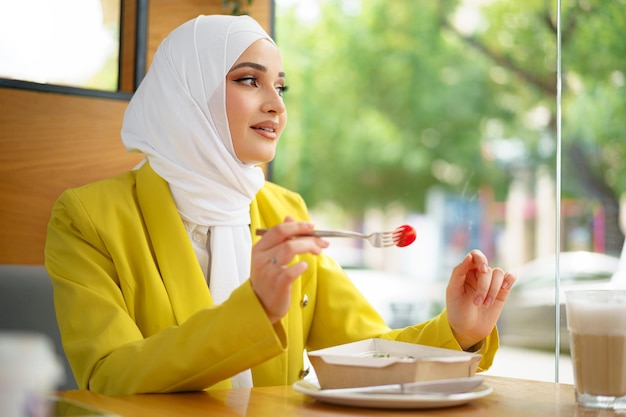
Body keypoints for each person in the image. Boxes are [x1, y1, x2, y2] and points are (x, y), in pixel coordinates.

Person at [44, 14, 516, 395]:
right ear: (187, 94)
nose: (276, 105)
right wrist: (252, 311)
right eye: (249, 81)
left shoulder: (283, 210)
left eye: (281, 86)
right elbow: (109, 376)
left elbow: (363, 353)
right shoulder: (89, 217)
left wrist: (456, 333)